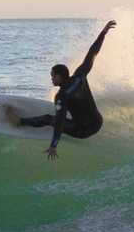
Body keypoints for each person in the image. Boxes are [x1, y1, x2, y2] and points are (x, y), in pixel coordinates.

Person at [14, 19, 115, 159]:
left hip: (83, 131)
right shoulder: (80, 76)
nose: (51, 79)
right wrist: (103, 33)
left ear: (60, 76)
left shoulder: (61, 96)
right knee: (70, 111)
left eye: (53, 76)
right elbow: (92, 53)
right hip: (98, 122)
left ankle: (19, 122)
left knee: (49, 119)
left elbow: (59, 122)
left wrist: (53, 145)